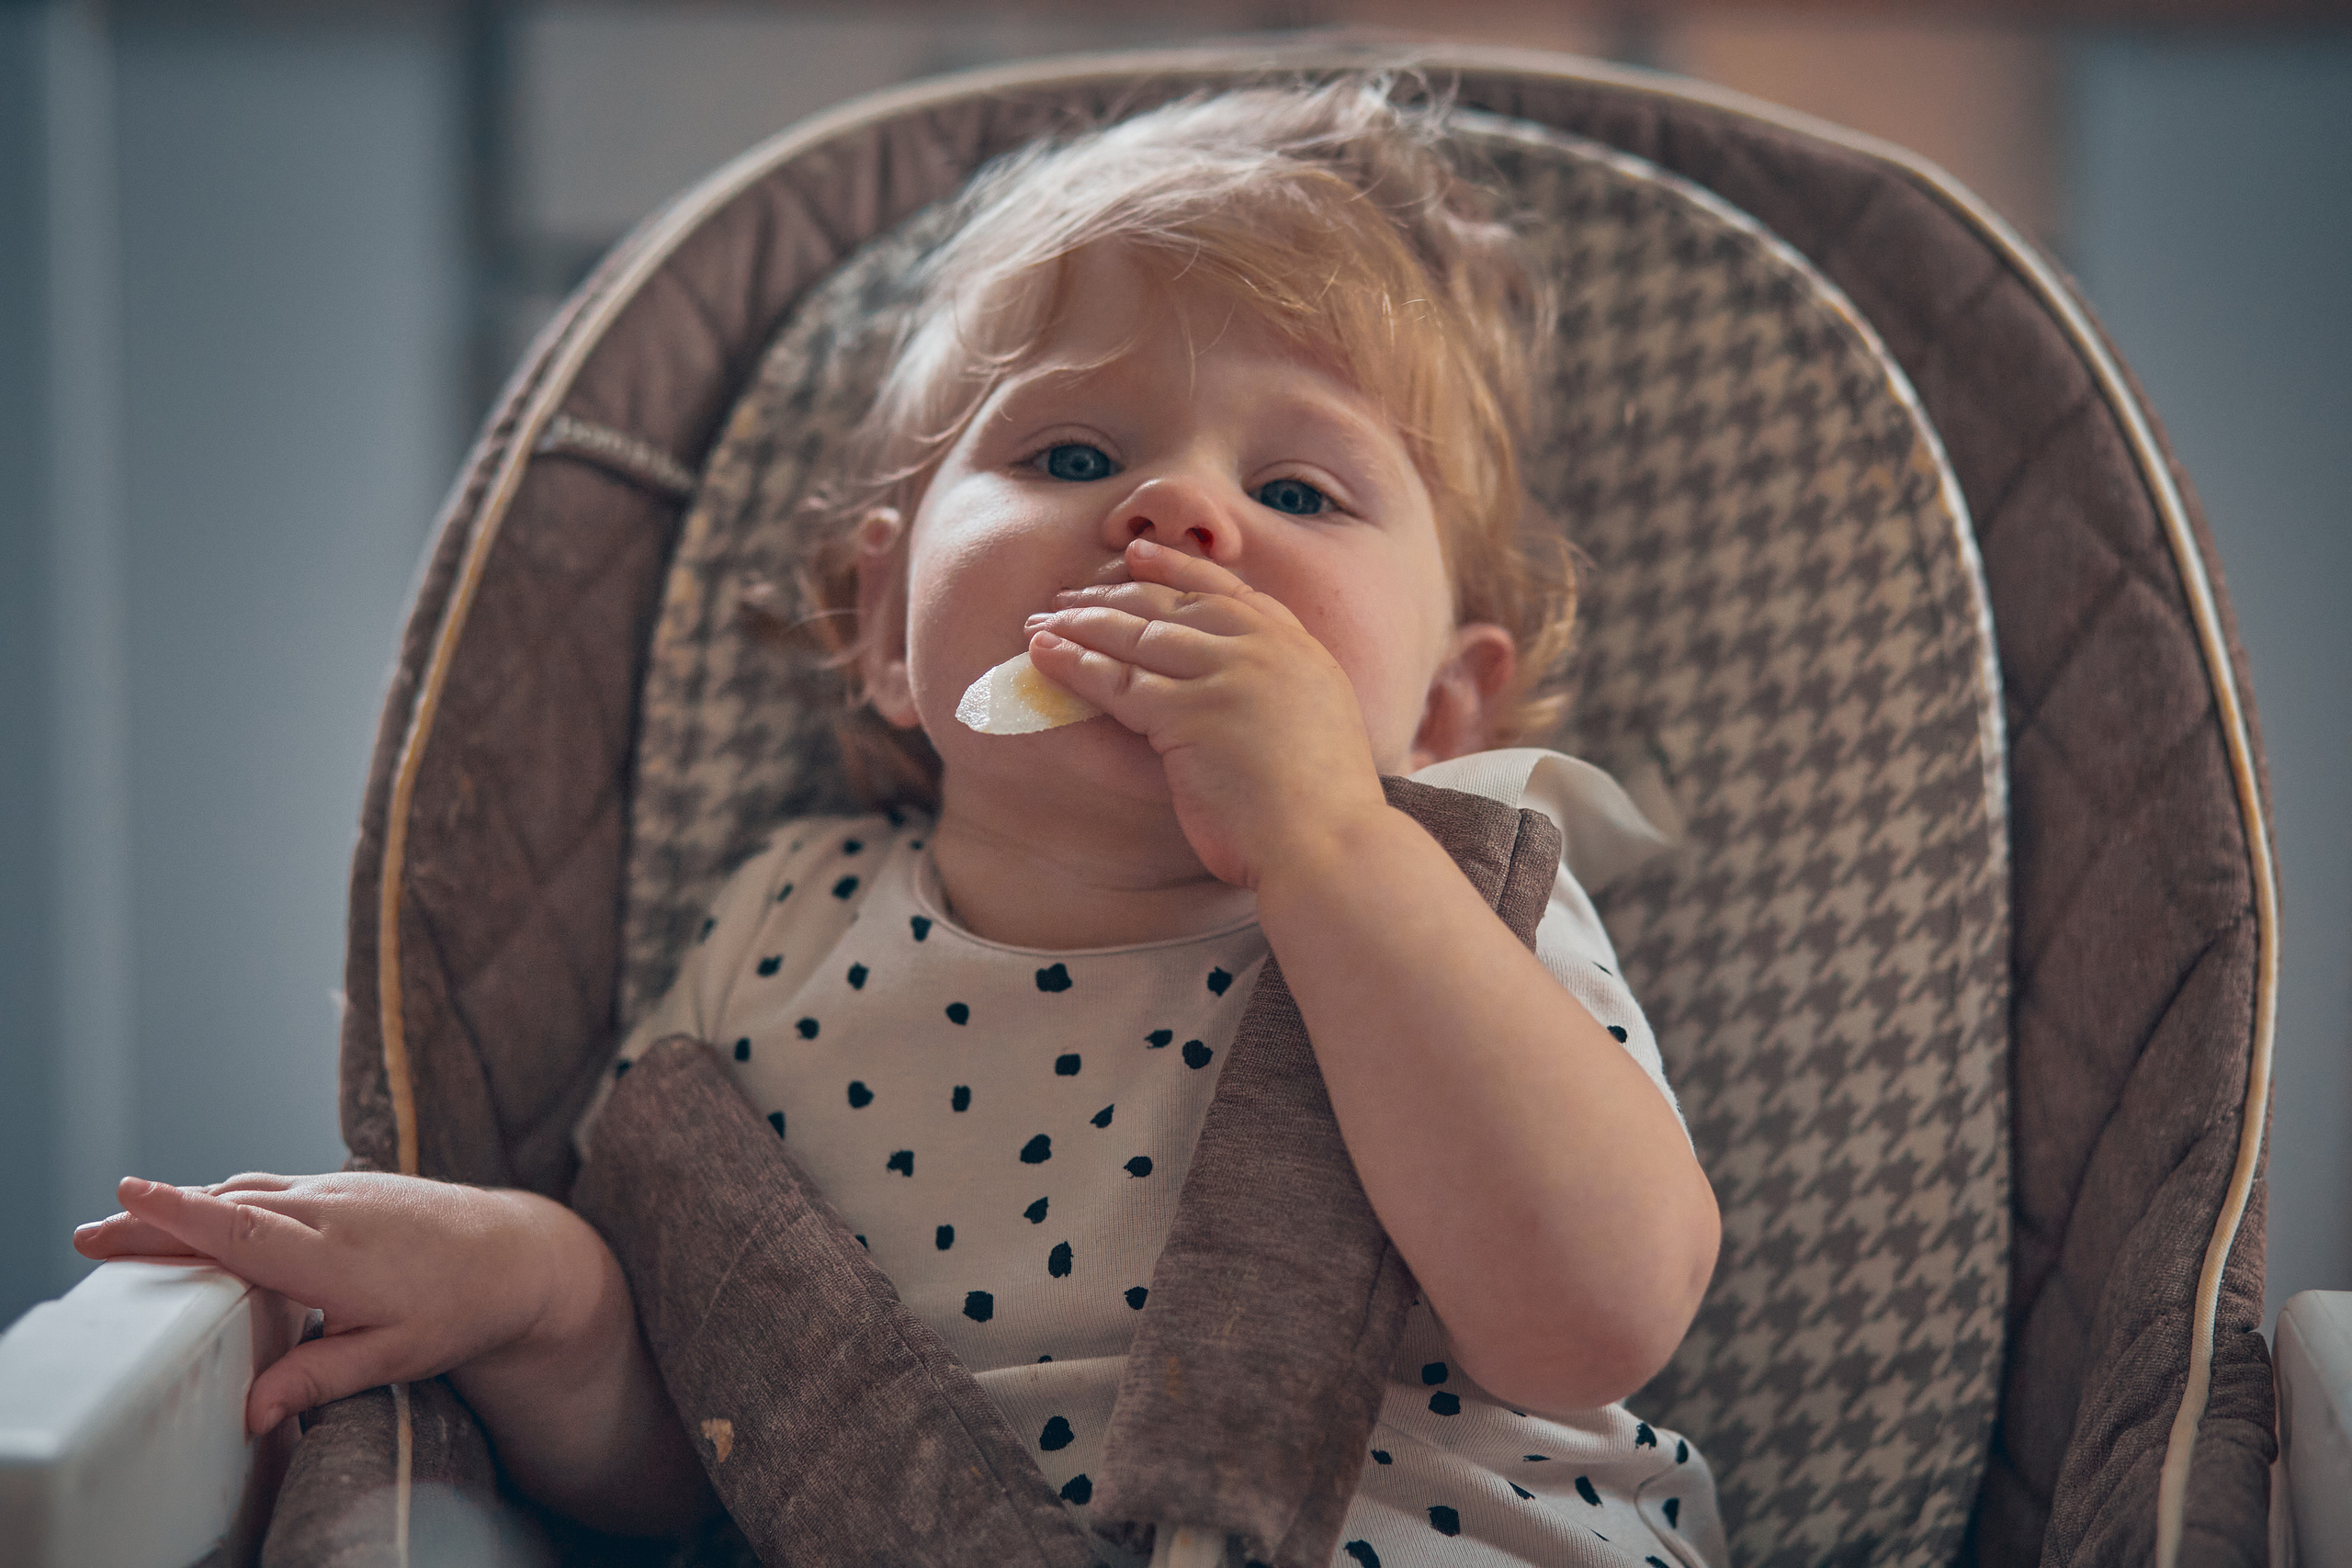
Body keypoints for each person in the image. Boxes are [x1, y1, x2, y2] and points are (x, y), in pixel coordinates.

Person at [75, 80, 1725, 1568]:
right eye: (1073, 450)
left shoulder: (1453, 901)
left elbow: (1594, 1320)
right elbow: (704, 1445)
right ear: (882, 624)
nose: (1178, 512)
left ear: (1443, 710)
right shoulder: (772, 935)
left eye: (1299, 493)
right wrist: (545, 1300)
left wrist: (1332, 843)